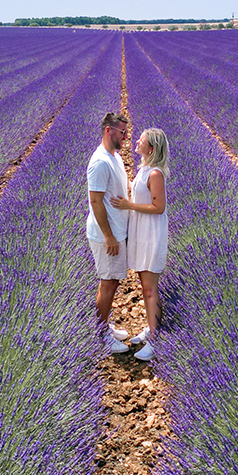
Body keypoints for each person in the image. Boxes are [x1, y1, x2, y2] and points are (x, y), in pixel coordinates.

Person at [110, 128, 168, 361]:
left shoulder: (155, 174)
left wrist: (129, 206)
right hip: (141, 233)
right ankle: (152, 328)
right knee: (145, 286)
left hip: (151, 234)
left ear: (151, 148)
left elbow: (159, 207)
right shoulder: (144, 169)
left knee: (150, 289)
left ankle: (156, 340)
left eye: (141, 140)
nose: (136, 141)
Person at [86, 112, 132, 353]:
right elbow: (95, 201)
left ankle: (104, 326)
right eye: (122, 132)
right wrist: (108, 236)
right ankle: (100, 336)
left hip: (117, 230)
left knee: (113, 281)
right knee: (108, 282)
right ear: (108, 130)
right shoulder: (100, 162)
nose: (125, 136)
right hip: (107, 234)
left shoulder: (115, 157)